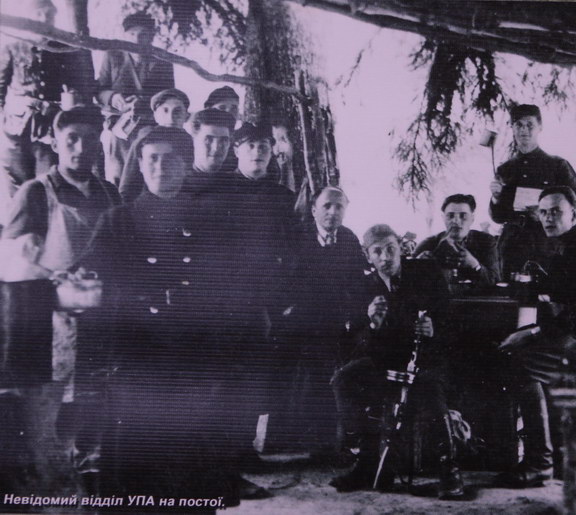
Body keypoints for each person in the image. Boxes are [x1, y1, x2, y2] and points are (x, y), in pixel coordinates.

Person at [79, 126, 269, 509]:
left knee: (195, 478)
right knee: (139, 474)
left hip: (199, 365)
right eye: (152, 158)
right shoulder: (117, 222)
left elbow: (239, 291)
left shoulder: (215, 221)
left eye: (170, 159)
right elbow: (92, 291)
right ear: (140, 165)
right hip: (140, 366)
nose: (160, 167)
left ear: (185, 165)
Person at [2, 106, 119, 487]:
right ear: (55, 143)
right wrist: (56, 285)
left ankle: (93, 479)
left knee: (97, 407)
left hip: (101, 319)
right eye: (72, 139)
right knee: (50, 420)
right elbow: (13, 268)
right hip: (50, 326)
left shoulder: (109, 192)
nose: (81, 148)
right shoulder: (36, 192)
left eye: (90, 139)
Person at [330, 224, 464, 499]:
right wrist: (373, 324)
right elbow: (356, 344)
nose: (385, 257)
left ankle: (449, 470)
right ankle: (366, 460)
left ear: (401, 248)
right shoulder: (363, 287)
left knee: (429, 386)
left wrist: (434, 329)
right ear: (367, 256)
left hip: (427, 359)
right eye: (377, 252)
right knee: (344, 379)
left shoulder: (426, 273)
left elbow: (454, 323)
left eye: (391, 249)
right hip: (386, 361)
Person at [493, 187, 576, 488]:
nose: (548, 218)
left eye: (556, 211)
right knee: (515, 351)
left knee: (519, 362)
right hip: (563, 332)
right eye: (544, 212)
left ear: (574, 213)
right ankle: (557, 457)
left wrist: (531, 333)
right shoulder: (559, 246)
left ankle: (540, 462)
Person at [0, 0, 96, 225]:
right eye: (40, 14)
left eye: (50, 15)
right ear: (29, 18)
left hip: (49, 127)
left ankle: (47, 231)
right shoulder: (12, 48)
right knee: (17, 185)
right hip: (16, 128)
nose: (45, 20)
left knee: (48, 181)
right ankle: (22, 232)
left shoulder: (63, 49)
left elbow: (76, 86)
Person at [290, 186, 370, 451]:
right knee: (311, 375)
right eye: (327, 206)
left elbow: (357, 284)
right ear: (314, 210)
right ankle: (313, 442)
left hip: (336, 321)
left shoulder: (348, 239)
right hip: (302, 322)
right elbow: (284, 281)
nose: (333, 212)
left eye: (339, 207)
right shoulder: (296, 237)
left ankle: (336, 441)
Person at [489, 104, 576, 279]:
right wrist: (496, 198)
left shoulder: (557, 165)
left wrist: (546, 212)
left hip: (548, 246)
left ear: (540, 127)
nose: (524, 130)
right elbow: (498, 217)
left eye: (529, 125)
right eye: (519, 125)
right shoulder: (505, 169)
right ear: (512, 128)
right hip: (512, 248)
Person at [96, 11, 175, 186]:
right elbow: (100, 90)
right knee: (114, 141)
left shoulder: (163, 61)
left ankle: (139, 186)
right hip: (117, 119)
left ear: (151, 37)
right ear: (124, 35)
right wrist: (113, 98)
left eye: (143, 34)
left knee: (146, 144)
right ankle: (116, 187)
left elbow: (169, 97)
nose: (136, 40)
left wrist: (145, 102)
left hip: (148, 121)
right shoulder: (113, 56)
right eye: (132, 34)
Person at [118, 87, 191, 202]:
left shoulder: (190, 142)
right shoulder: (144, 141)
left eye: (177, 112)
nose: (171, 117)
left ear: (186, 116)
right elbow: (127, 187)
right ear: (155, 116)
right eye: (165, 111)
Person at [415, 193, 500, 288]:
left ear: (472, 218)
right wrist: (419, 265)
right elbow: (409, 284)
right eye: (450, 216)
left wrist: (475, 265)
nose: (456, 221)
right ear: (443, 218)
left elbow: (495, 281)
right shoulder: (428, 244)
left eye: (463, 216)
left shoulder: (486, 242)